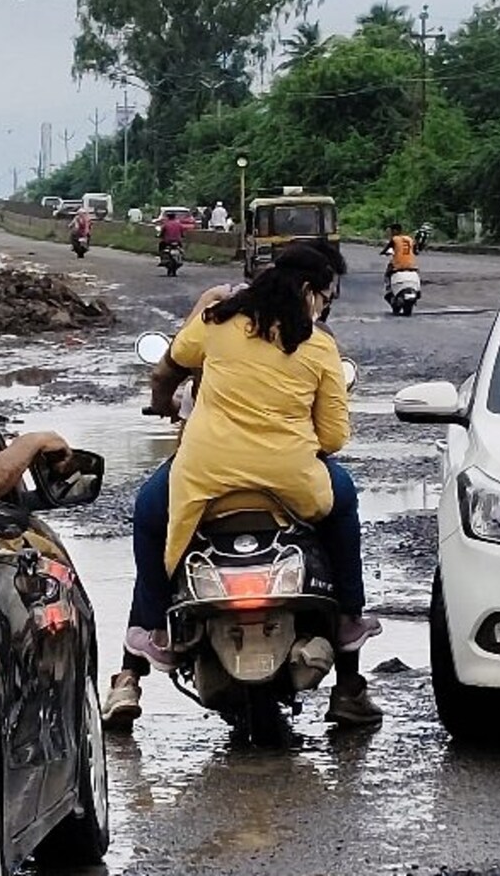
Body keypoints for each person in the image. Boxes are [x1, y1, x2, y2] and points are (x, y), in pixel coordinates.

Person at [104, 247, 382, 731]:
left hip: (204, 475)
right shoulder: (317, 345)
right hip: (292, 481)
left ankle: (150, 636)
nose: (324, 308)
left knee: (151, 517)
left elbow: (172, 363)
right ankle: (347, 629)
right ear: (309, 293)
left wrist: (166, 401)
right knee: (343, 508)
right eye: (325, 297)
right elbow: (335, 437)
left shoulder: (218, 319)